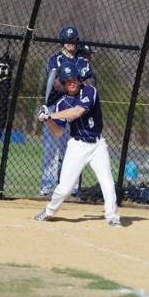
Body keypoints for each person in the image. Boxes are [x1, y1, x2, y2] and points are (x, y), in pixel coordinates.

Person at [34, 63, 121, 227]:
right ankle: (49, 211)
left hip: (97, 144)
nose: (72, 82)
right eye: (67, 80)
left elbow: (78, 111)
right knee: (64, 188)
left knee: (107, 181)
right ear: (64, 84)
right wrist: (47, 120)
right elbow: (58, 132)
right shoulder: (62, 103)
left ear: (79, 79)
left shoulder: (89, 91)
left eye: (74, 78)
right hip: (77, 146)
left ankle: (112, 217)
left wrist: (50, 114)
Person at [39, 26, 94, 196]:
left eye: (74, 40)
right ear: (62, 42)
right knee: (50, 148)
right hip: (55, 107)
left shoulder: (83, 61)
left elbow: (89, 82)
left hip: (75, 108)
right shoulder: (54, 60)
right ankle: (47, 185)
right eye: (68, 40)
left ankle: (72, 186)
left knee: (72, 149)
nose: (71, 44)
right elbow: (55, 83)